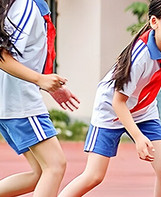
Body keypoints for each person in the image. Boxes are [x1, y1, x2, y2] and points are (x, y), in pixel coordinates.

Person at [59, 0, 161, 196]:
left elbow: (153, 86)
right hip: (110, 111)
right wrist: (138, 137)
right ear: (154, 22)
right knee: (94, 176)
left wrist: (143, 123)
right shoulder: (140, 56)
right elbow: (118, 102)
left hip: (143, 111)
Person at [0, 0, 80, 196]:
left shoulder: (29, 6)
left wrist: (48, 85)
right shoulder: (26, 7)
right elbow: (2, 55)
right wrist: (40, 79)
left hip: (14, 101)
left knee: (40, 173)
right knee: (55, 166)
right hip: (20, 102)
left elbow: (25, 57)